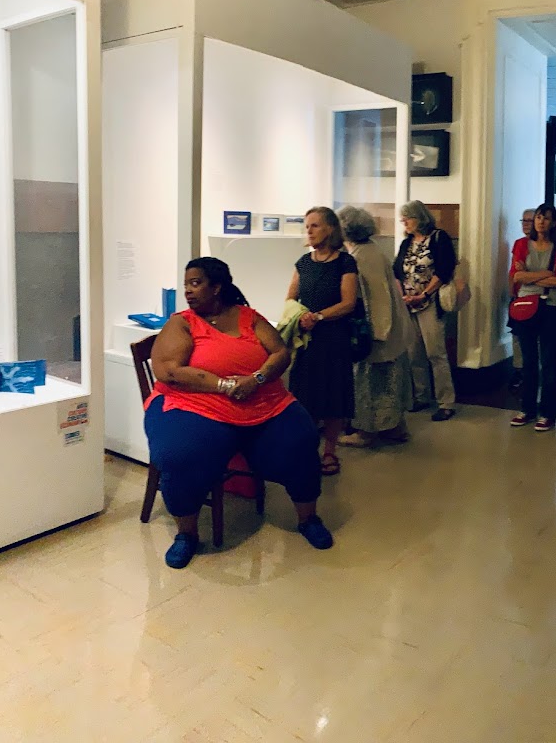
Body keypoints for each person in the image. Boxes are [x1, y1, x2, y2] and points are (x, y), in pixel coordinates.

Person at [143, 256, 333, 569]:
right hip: (195, 404)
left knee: (301, 440)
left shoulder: (248, 317)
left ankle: (308, 518)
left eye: (195, 283)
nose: (188, 291)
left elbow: (280, 353)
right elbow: (168, 371)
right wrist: (224, 385)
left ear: (217, 287)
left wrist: (256, 379)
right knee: (179, 454)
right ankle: (186, 534)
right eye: (186, 284)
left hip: (264, 400)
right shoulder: (182, 322)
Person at [286, 207, 357, 476]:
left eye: (315, 226)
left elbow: (348, 303)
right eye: (307, 226)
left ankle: (330, 451)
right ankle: (307, 448)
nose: (309, 231)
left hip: (334, 339)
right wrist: (300, 316)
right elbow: (290, 298)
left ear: (330, 229)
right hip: (307, 340)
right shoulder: (303, 263)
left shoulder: (345, 262)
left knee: (333, 395)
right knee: (305, 395)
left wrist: (319, 316)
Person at [336, 205, 412, 447]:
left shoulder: (361, 257)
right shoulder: (372, 250)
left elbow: (377, 299)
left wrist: (375, 334)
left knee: (370, 384)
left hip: (378, 331)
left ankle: (365, 432)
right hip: (391, 329)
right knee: (390, 383)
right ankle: (395, 427)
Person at [394, 200, 457, 422]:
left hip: (430, 302)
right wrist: (403, 296)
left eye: (408, 218)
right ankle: (421, 395)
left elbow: (444, 270)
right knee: (414, 353)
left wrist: (424, 294)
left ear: (419, 218)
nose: (404, 222)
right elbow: (397, 272)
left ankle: (446, 402)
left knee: (436, 353)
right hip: (408, 303)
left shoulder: (439, 238)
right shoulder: (406, 243)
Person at [508, 203, 556, 432]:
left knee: (549, 361)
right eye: (538, 217)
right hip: (525, 307)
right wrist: (545, 274)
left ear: (553, 223)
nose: (541, 222)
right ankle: (527, 408)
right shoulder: (521, 244)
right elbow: (516, 276)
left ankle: (548, 412)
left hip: (550, 308)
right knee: (528, 361)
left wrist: (529, 275)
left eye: (546, 218)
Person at [510, 208, 536, 391]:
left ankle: (532, 372)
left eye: (529, 220)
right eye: (523, 220)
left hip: (536, 296)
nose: (525, 224)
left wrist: (527, 274)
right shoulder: (519, 243)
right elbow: (516, 272)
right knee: (517, 336)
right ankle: (520, 371)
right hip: (518, 295)